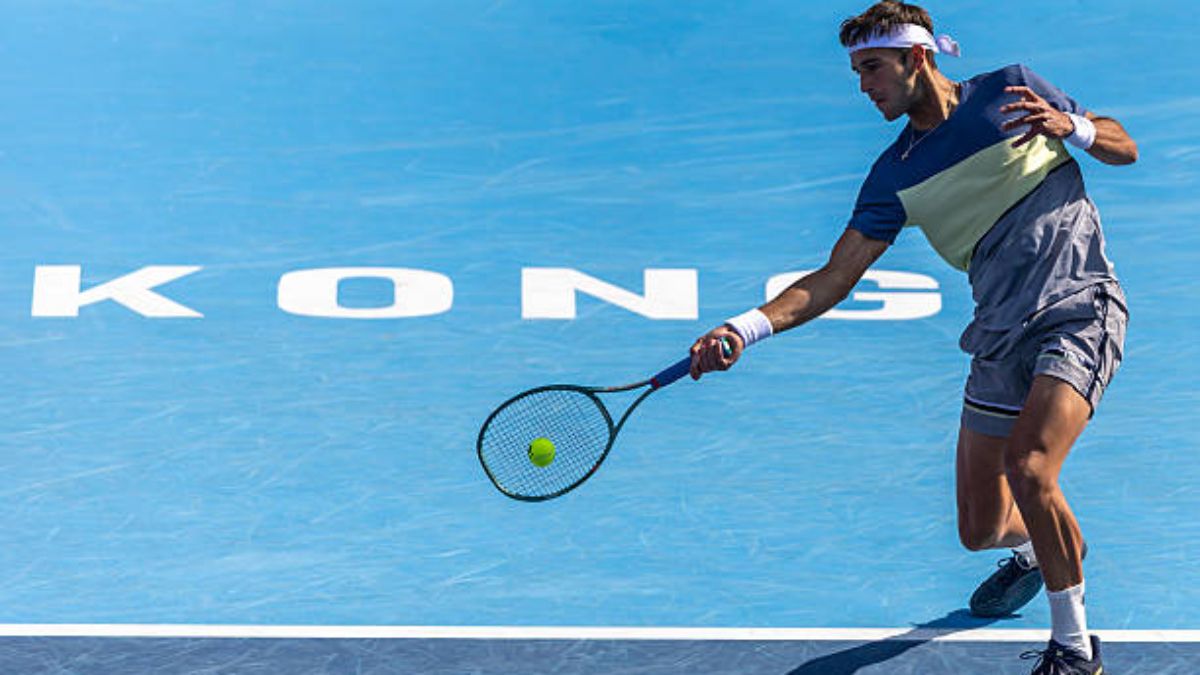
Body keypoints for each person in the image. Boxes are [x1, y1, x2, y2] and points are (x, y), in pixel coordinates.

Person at [688, 2, 1137, 673]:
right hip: (997, 333)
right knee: (979, 526)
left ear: (916, 59)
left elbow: (1122, 145)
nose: (863, 85)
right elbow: (835, 276)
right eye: (856, 72)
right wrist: (744, 328)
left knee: (1032, 466)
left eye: (872, 68)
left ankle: (1074, 650)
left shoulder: (1010, 91)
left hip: (1077, 305)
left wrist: (1068, 125)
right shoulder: (894, 175)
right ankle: (1042, 546)